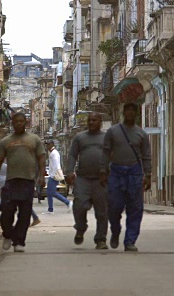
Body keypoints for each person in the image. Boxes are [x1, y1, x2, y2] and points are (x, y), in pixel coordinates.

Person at [0, 113, 46, 253]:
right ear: (12, 123)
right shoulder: (6, 141)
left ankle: (19, 241)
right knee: (7, 211)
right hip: (10, 181)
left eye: (21, 121)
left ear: (26, 123)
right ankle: (8, 234)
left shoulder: (34, 139)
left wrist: (42, 176)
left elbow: (41, 158)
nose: (19, 124)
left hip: (28, 181)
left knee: (25, 214)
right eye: (16, 121)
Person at [100, 103, 152, 252]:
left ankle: (130, 240)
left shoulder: (141, 134)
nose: (129, 113)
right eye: (127, 110)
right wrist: (103, 170)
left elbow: (146, 157)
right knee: (114, 208)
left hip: (134, 173)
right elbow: (105, 152)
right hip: (116, 173)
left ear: (136, 113)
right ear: (123, 113)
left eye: (132, 110)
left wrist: (147, 175)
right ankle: (115, 231)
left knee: (135, 208)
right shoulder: (112, 132)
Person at [66, 112, 109, 250]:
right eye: (89, 120)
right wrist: (69, 172)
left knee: (102, 212)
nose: (91, 122)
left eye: (94, 120)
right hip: (83, 179)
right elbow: (72, 155)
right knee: (79, 206)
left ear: (100, 122)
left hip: (101, 180)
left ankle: (101, 239)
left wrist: (109, 173)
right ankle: (80, 227)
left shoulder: (107, 138)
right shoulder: (80, 137)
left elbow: (113, 156)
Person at [44, 140, 72, 214]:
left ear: (52, 144)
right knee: (50, 193)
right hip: (53, 174)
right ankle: (50, 209)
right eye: (47, 145)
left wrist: (53, 175)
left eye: (49, 144)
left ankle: (68, 202)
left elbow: (56, 165)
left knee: (52, 192)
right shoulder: (52, 153)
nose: (47, 146)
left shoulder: (54, 153)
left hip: (54, 175)